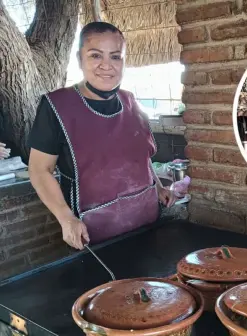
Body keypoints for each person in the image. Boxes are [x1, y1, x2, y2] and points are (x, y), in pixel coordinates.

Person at [28, 22, 177, 250]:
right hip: (94, 232)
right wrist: (66, 218)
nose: (106, 66)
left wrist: (157, 188)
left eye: (115, 57)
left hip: (146, 220)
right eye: (95, 55)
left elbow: (142, 157)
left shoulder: (130, 101)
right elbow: (39, 169)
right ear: (80, 59)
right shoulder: (56, 105)